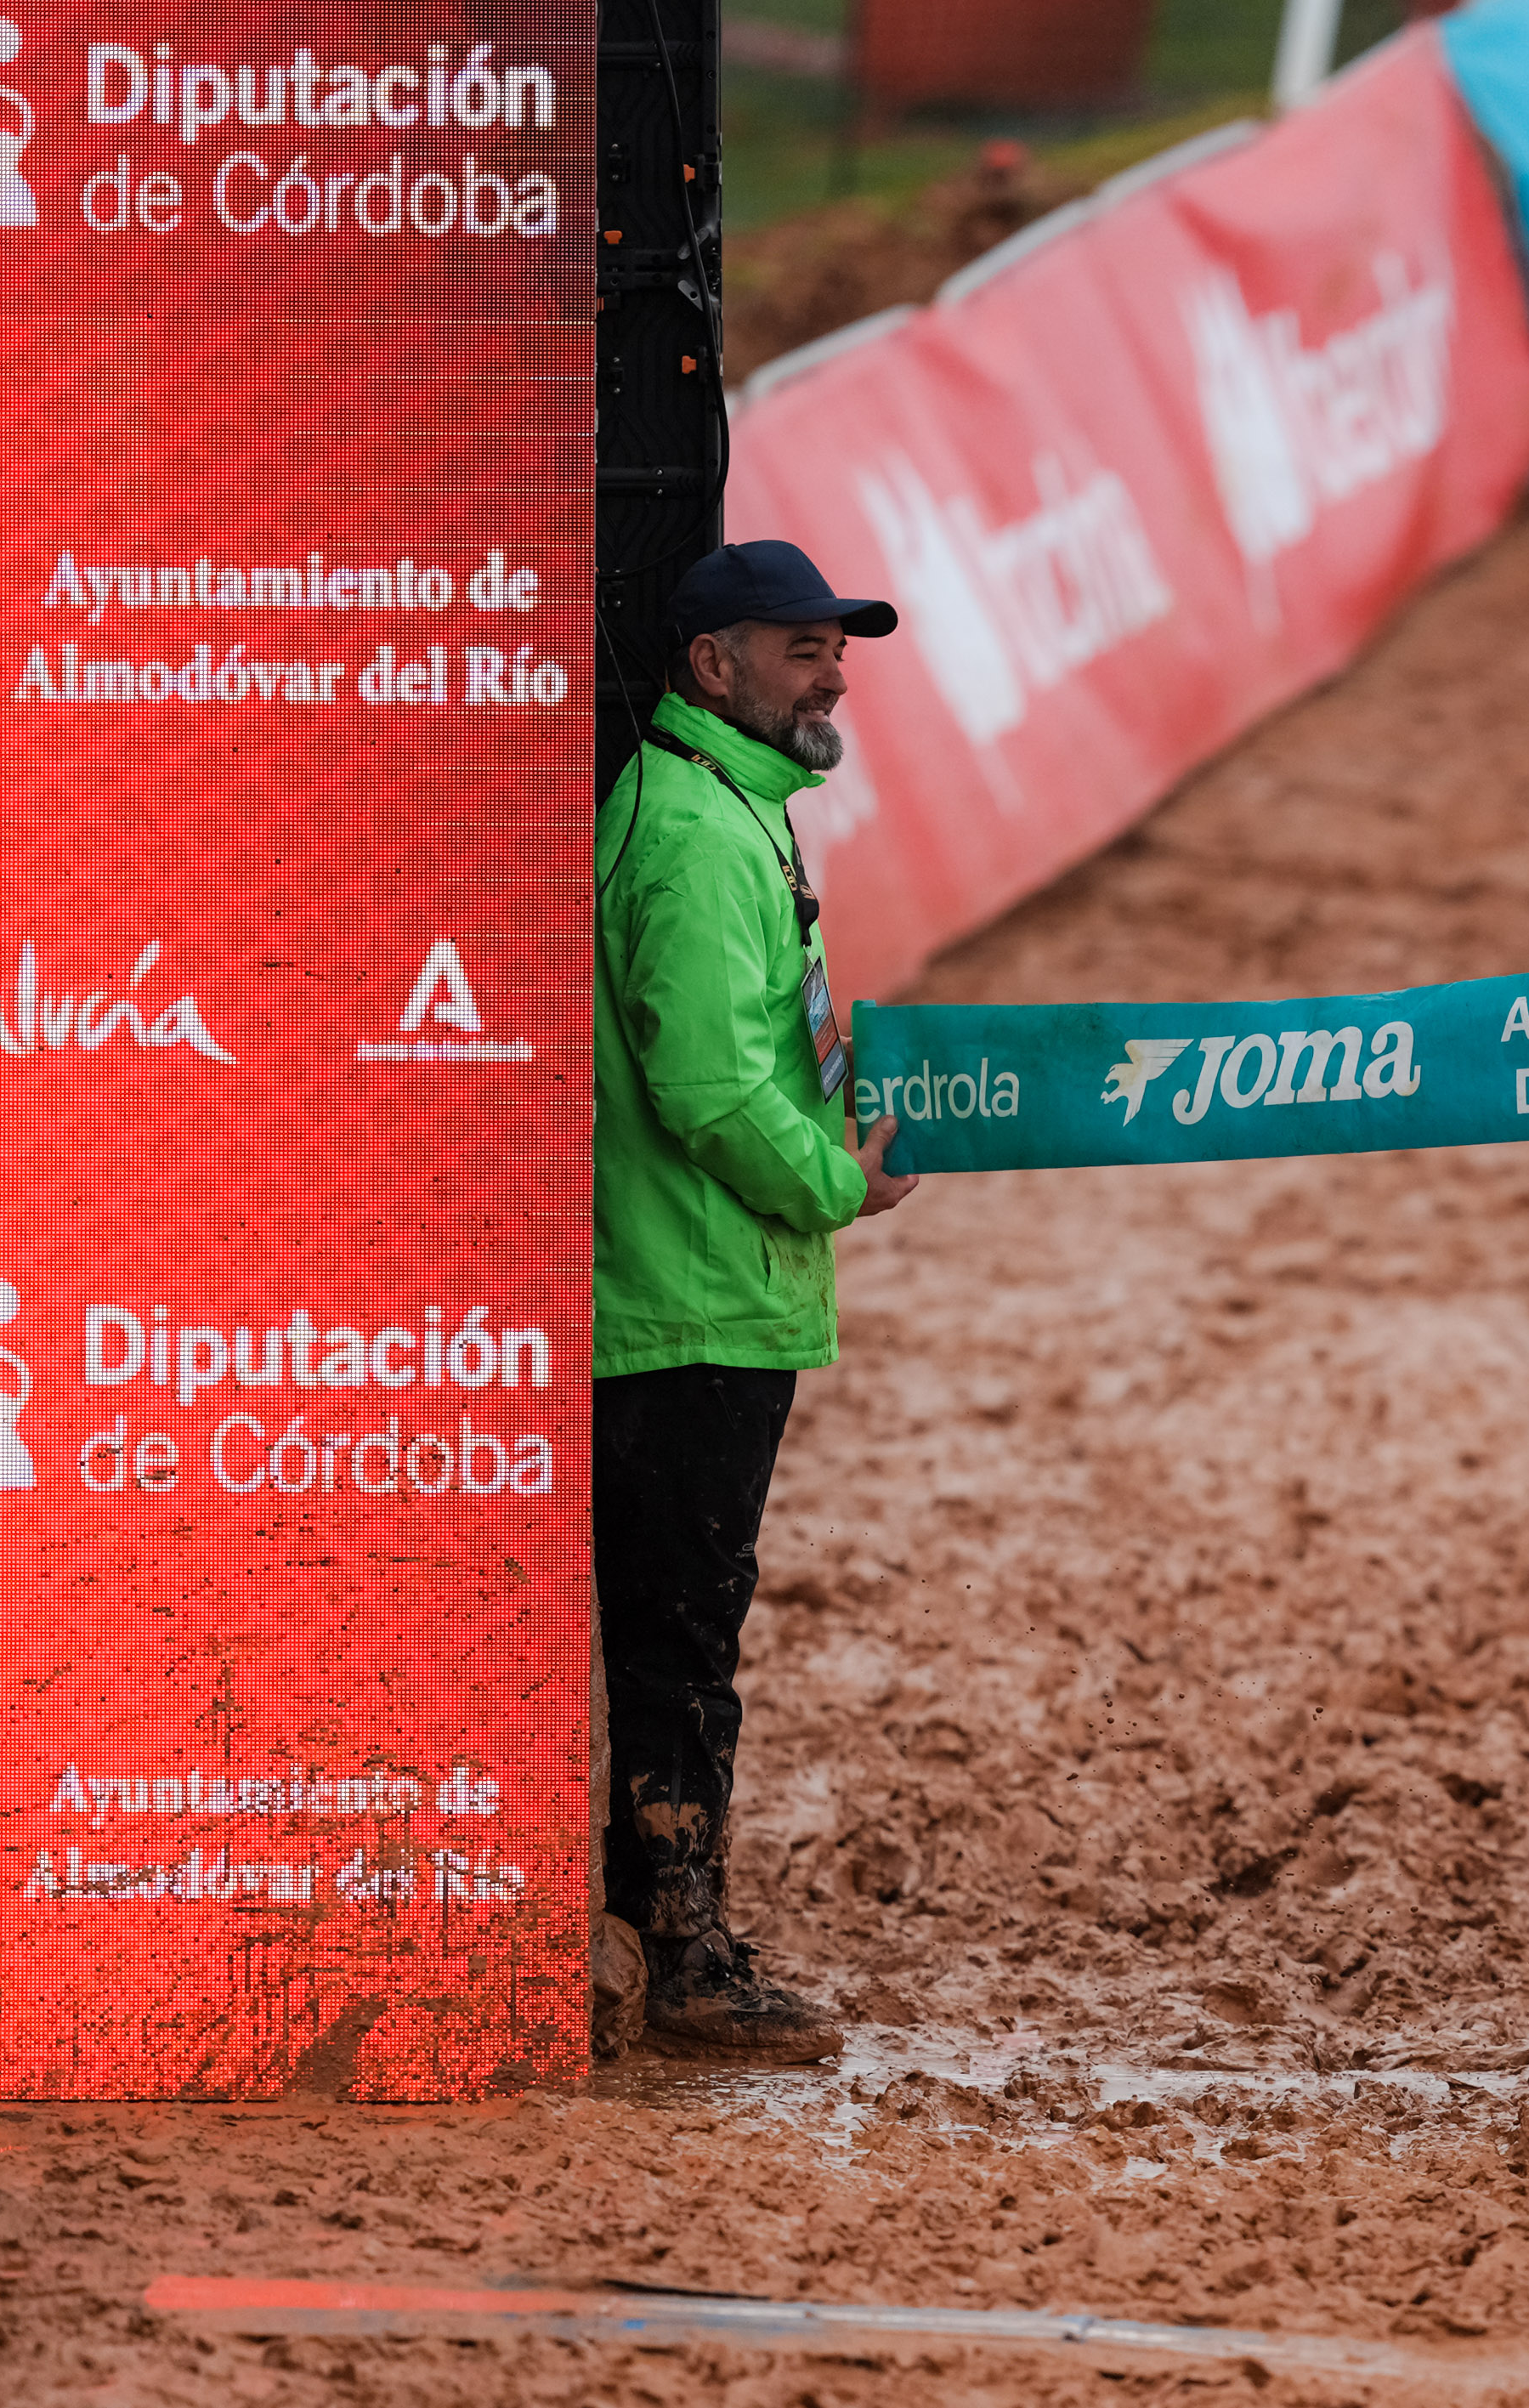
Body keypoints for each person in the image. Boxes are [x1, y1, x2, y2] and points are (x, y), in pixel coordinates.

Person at [592, 541, 920, 2060]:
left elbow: (732, 1061)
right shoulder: (697, 831)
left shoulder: (718, 805)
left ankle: (656, 1935)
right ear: (712, 663)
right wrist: (835, 1180)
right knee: (682, 1643)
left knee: (675, 1635)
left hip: (694, 1289)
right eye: (801, 648)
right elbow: (710, 1086)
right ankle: (686, 1961)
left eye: (836, 647)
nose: (832, 673)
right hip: (691, 1300)